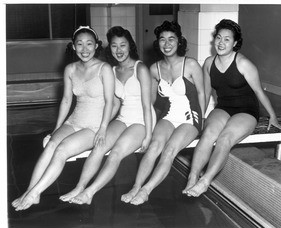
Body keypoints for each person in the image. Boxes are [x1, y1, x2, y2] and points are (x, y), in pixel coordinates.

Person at [11, 26, 115, 211]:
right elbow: (67, 100)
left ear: (96, 46)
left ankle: (35, 193)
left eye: (89, 44)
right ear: (73, 47)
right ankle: (30, 192)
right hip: (74, 121)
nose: (85, 49)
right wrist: (56, 129)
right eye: (79, 44)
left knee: (61, 150)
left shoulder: (104, 69)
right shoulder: (70, 69)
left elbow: (110, 101)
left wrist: (103, 128)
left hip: (94, 126)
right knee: (51, 144)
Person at [182, 19, 281, 197]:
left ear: (235, 43)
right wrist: (199, 118)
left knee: (225, 138)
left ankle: (205, 182)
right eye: (218, 38)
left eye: (227, 39)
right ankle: (192, 178)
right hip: (223, 107)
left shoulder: (243, 64)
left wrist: (272, 117)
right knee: (208, 134)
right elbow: (205, 94)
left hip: (246, 110)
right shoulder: (208, 63)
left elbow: (259, 92)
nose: (221, 43)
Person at [59, 26, 156, 205]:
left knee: (116, 152)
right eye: (114, 46)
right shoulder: (110, 70)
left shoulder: (140, 68)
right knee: (99, 145)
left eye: (123, 45)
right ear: (108, 48)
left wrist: (149, 135)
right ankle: (80, 187)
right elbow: (114, 103)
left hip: (142, 120)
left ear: (130, 46)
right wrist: (100, 127)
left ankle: (90, 192)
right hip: (123, 118)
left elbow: (146, 104)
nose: (119, 50)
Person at [121, 20, 205, 205]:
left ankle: (146, 190)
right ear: (157, 42)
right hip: (169, 116)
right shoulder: (154, 69)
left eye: (171, 39)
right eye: (162, 39)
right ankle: (136, 186)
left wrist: (203, 120)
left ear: (179, 42)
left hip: (190, 118)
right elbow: (150, 102)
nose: (167, 44)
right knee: (153, 147)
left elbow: (201, 93)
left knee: (169, 150)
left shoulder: (190, 65)